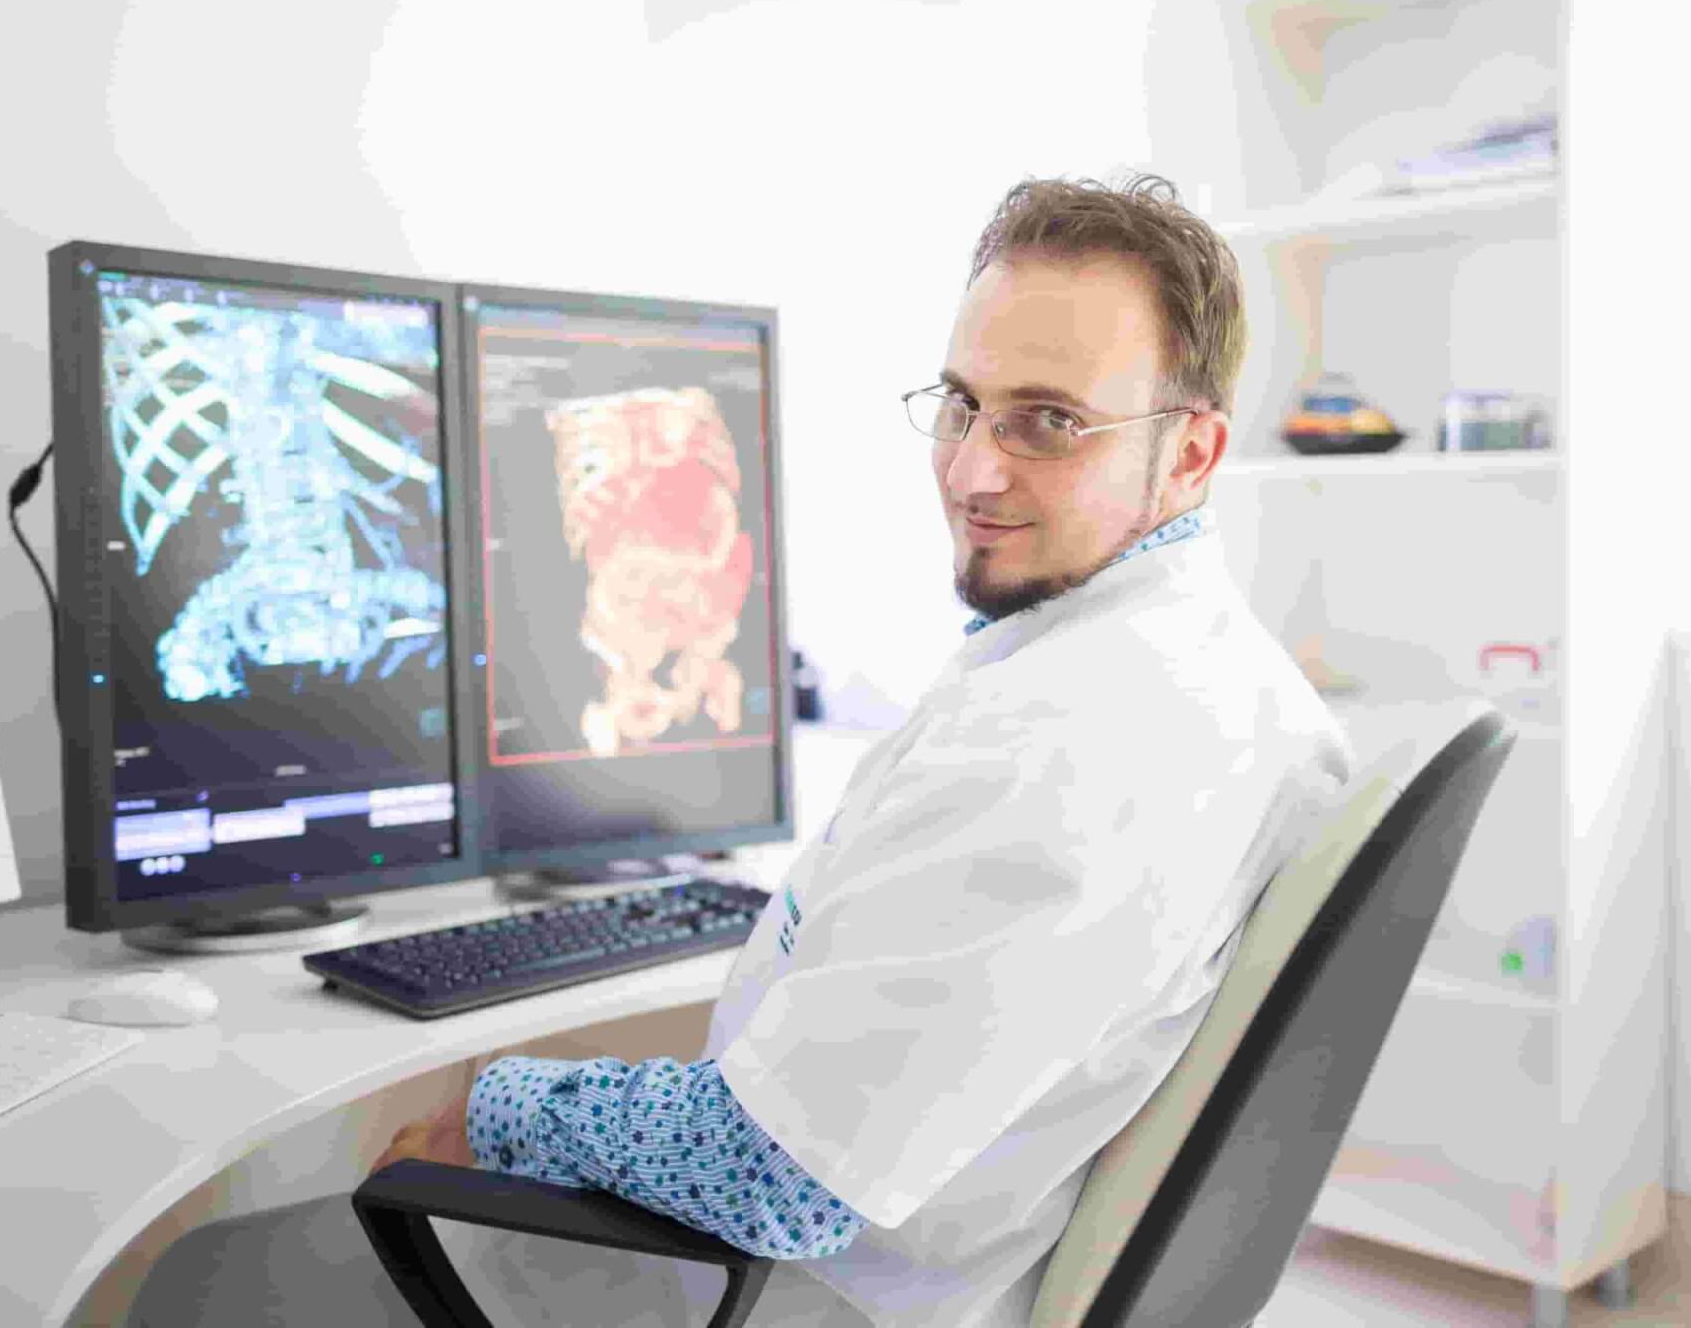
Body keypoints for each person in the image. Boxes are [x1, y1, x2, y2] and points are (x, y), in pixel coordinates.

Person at [131, 173, 1354, 1328]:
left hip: (790, 1288)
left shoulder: (1064, 738)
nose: (974, 469)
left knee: (210, 1276)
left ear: (1190, 451)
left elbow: (770, 1176)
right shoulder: (1221, 677)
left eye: (1051, 422)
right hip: (928, 1246)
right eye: (963, 403)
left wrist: (492, 1107)